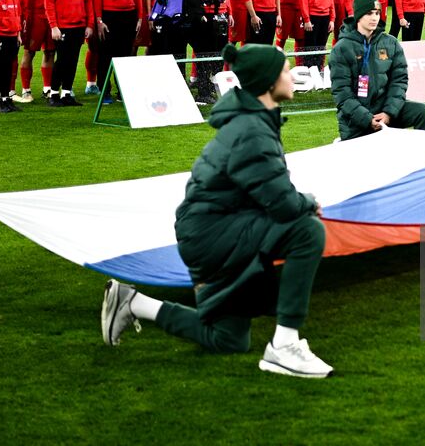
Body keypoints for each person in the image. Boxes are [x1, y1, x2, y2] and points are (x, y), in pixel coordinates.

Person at [99, 43, 333, 378]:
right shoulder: (252, 131)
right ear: (268, 82)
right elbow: (282, 205)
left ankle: (133, 303)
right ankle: (284, 345)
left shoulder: (253, 121)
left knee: (229, 339)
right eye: (284, 70)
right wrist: (309, 201)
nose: (292, 75)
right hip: (211, 233)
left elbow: (267, 189)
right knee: (306, 229)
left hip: (209, 229)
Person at [330, 0, 425, 141]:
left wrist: (389, 112)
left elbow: (399, 81)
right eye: (369, 13)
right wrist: (366, 118)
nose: (374, 18)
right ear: (358, 16)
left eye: (377, 13)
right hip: (357, 119)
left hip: (386, 110)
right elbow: (342, 93)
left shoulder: (390, 43)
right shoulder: (342, 48)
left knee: (423, 111)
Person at [43, 0, 90, 107]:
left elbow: (87, 2)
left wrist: (89, 25)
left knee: (73, 60)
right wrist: (53, 26)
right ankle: (54, 94)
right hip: (62, 27)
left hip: (79, 26)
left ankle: (67, 94)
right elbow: (49, 3)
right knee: (62, 60)